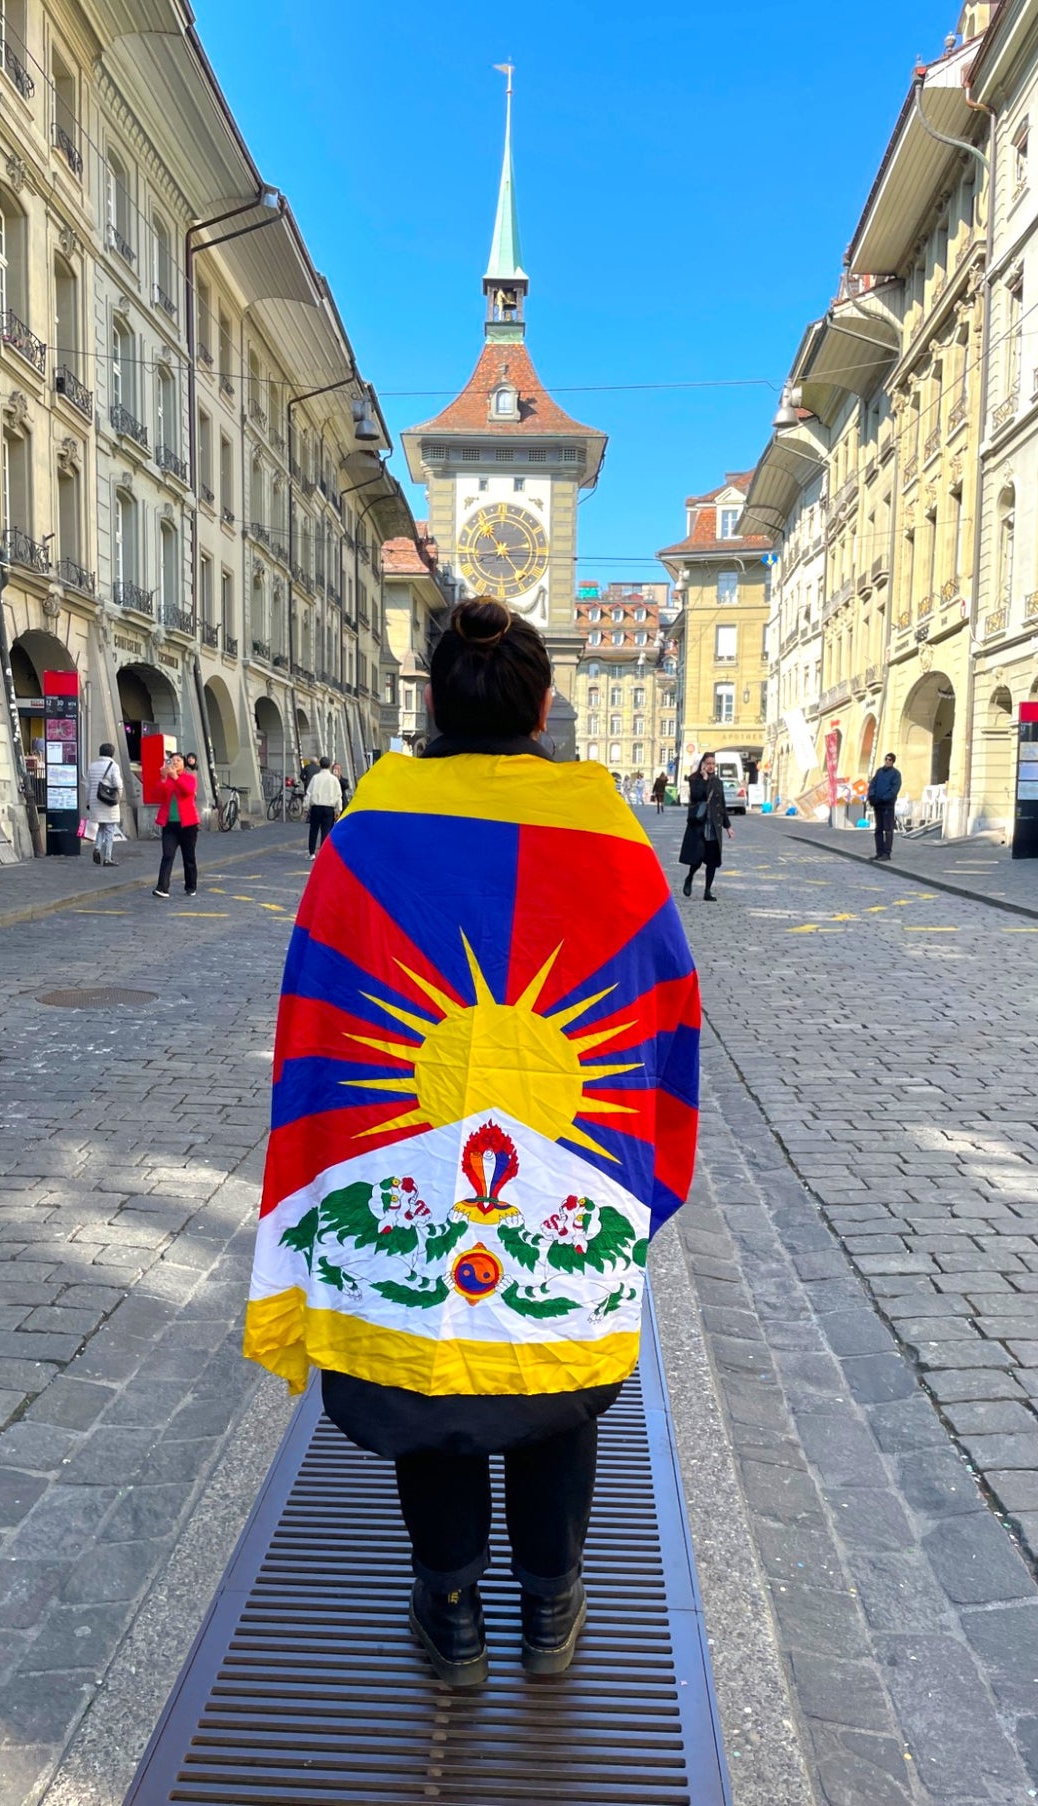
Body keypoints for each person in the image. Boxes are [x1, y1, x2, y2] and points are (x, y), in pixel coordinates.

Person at [244, 597, 701, 1690]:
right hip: (564, 1164)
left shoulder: (360, 841)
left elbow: (312, 1021)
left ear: (430, 709)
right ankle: (551, 1604)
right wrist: (638, 1173)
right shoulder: (617, 848)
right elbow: (665, 1013)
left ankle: (450, 1611)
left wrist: (324, 1166)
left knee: (430, 1386)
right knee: (551, 1382)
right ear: (542, 709)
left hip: (402, 1160)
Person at [679, 752, 730, 902]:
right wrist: (705, 780)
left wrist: (728, 826)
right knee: (698, 857)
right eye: (708, 763)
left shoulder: (718, 782)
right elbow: (697, 796)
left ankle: (707, 891)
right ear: (703, 764)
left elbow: (722, 805)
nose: (711, 766)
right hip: (699, 825)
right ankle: (689, 877)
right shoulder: (694, 779)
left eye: (713, 764)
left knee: (712, 860)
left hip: (714, 825)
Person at [153, 751, 199, 898]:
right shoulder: (167, 779)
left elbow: (188, 791)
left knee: (188, 857)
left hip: (188, 825)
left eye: (178, 760)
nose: (175, 762)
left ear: (184, 764)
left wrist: (175, 777)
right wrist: (163, 778)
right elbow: (158, 794)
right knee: (167, 855)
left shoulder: (189, 778)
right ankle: (162, 887)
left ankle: (191, 886)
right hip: (170, 824)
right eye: (172, 760)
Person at [84, 741, 123, 867]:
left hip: (95, 801)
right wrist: (119, 793)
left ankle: (97, 848)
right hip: (108, 802)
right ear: (112, 753)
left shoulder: (92, 766)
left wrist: (88, 801)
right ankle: (107, 858)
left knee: (101, 827)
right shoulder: (113, 766)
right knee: (110, 830)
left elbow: (88, 786)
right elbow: (117, 784)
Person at [867, 752, 902, 861]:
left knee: (888, 830)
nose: (887, 761)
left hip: (887, 805)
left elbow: (894, 789)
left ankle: (887, 853)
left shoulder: (896, 774)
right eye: (886, 759)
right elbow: (872, 784)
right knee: (878, 830)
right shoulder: (879, 772)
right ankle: (879, 852)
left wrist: (884, 798)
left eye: (890, 759)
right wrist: (872, 796)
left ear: (893, 761)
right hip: (877, 804)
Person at [305, 755, 341, 856]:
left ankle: (312, 853)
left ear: (320, 765)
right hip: (329, 808)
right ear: (329, 766)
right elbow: (338, 795)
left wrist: (306, 807)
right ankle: (323, 853)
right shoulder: (334, 779)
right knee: (326, 831)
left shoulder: (315, 778)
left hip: (316, 807)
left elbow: (309, 793)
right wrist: (338, 809)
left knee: (314, 830)